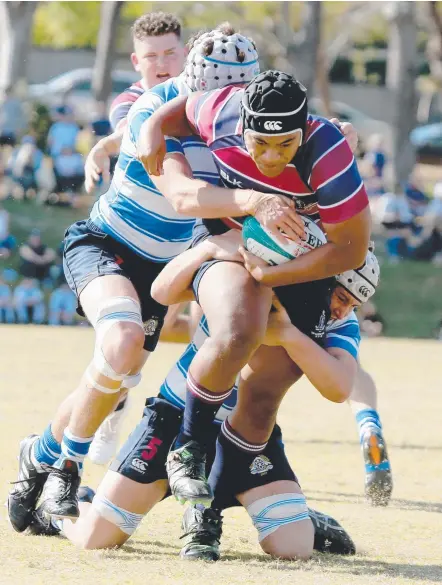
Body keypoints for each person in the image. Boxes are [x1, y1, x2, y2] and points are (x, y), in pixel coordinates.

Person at [7, 26, 277, 532]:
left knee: (113, 377)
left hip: (164, 267)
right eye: (217, 94)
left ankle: (39, 452)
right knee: (123, 343)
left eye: (235, 96)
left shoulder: (239, 119)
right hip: (108, 244)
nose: (225, 105)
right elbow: (185, 195)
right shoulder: (156, 108)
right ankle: (67, 468)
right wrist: (254, 201)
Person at [27, 236, 379, 562]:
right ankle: (71, 508)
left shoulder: (337, 321)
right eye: (342, 298)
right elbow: (163, 292)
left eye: (354, 305)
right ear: (322, 276)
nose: (343, 311)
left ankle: (302, 519)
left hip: (246, 437)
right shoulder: (255, 275)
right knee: (95, 538)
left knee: (292, 549)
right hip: (176, 420)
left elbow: (339, 388)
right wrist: (208, 249)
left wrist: (286, 333)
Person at [138, 69, 371, 505]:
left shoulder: (328, 153)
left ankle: (217, 501)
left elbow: (351, 251)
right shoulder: (224, 111)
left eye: (285, 144)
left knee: (267, 391)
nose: (269, 157)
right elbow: (184, 110)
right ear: (241, 125)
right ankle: (190, 446)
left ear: (305, 130)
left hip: (304, 266)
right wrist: (153, 125)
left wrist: (272, 275)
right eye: (258, 142)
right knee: (237, 332)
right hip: (231, 244)